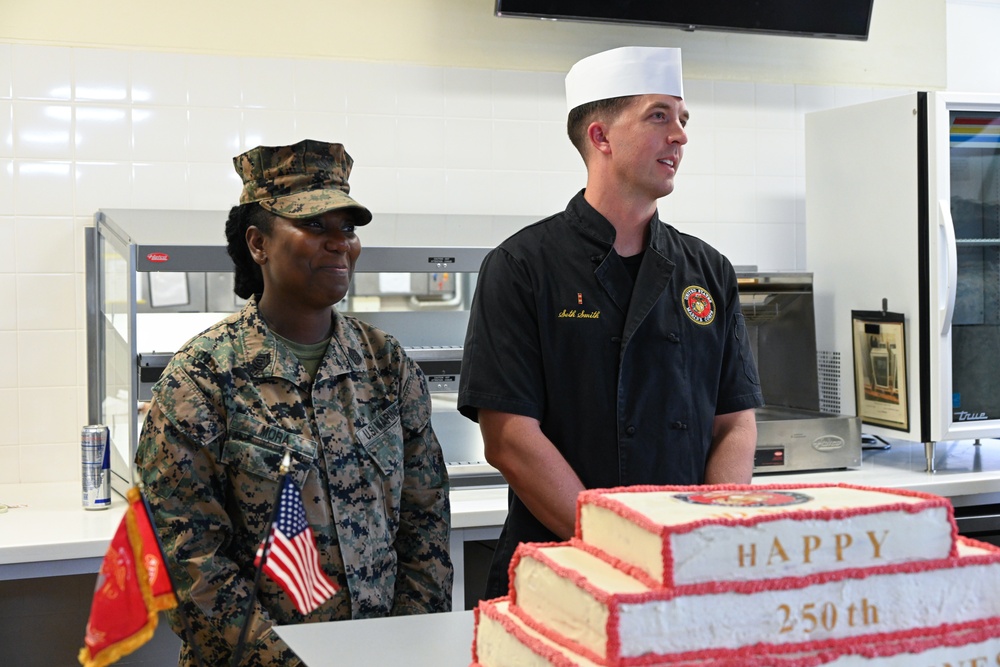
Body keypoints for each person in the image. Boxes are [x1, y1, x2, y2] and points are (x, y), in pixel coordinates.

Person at [457, 46, 764, 599]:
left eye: (683, 119)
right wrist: (617, 547)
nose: (680, 136)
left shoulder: (708, 270)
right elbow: (509, 439)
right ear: (600, 137)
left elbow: (735, 423)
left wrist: (711, 534)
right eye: (659, 116)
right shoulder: (522, 266)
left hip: (685, 568)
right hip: (562, 569)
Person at [136, 139, 453, 667]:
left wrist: (405, 646)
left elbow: (427, 524)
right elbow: (192, 564)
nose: (339, 243)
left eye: (347, 228)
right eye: (314, 225)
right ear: (258, 243)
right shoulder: (202, 378)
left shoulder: (385, 363)